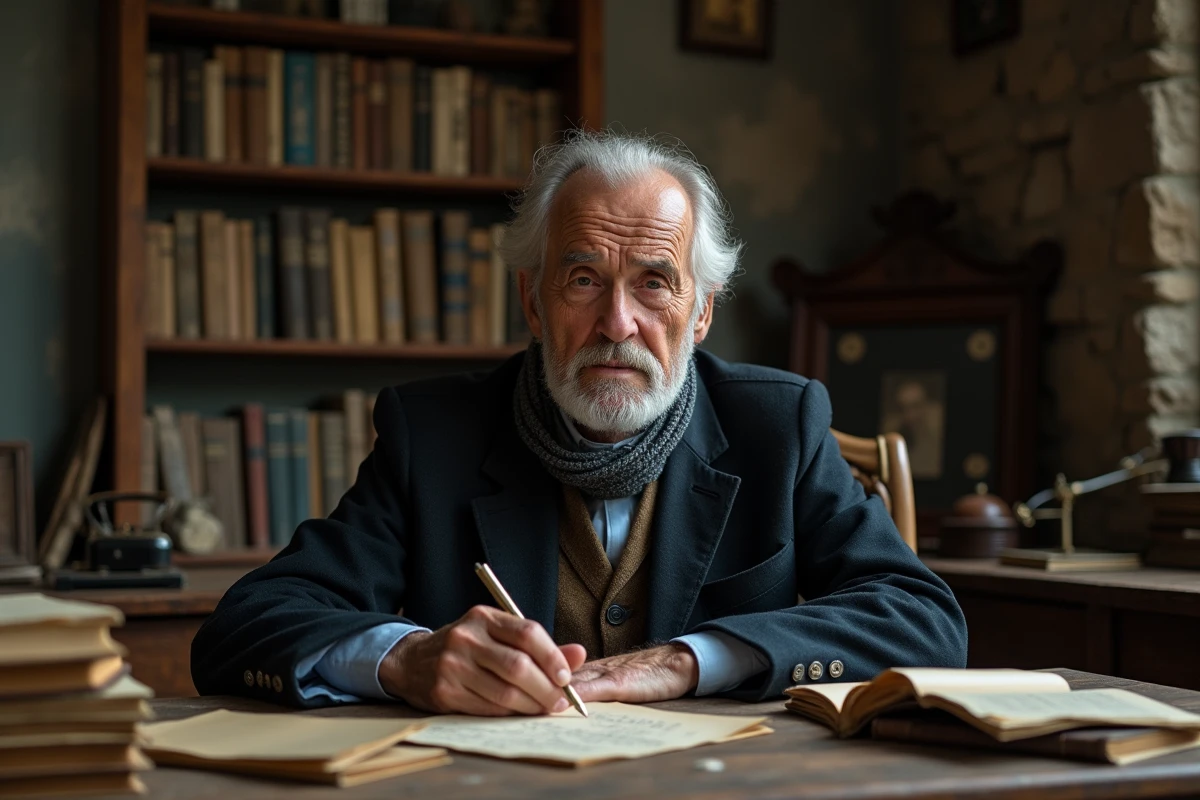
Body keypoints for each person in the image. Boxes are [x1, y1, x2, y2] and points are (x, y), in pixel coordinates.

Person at [191, 130, 967, 715]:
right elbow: (245, 627)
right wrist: (406, 659)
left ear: (700, 313)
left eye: (654, 283)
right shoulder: (433, 434)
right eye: (583, 278)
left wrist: (694, 659)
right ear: (533, 302)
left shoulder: (779, 425)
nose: (617, 323)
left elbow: (926, 621)